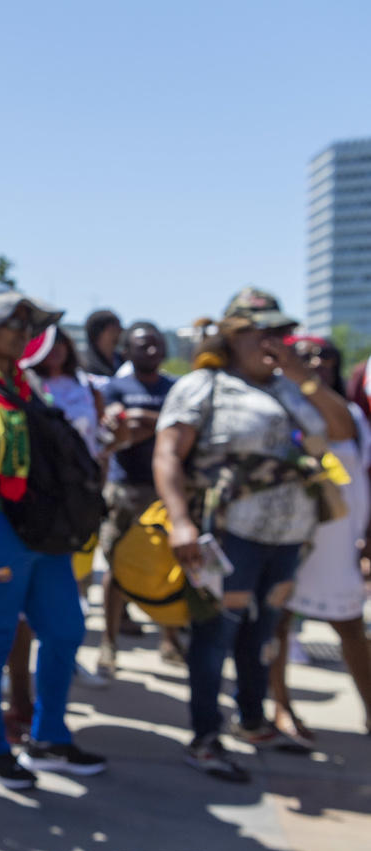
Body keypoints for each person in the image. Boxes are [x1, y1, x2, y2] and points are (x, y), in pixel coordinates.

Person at [154, 288, 353, 783]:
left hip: (287, 538)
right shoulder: (206, 385)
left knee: (263, 633)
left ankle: (253, 720)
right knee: (214, 634)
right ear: (232, 337)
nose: (274, 341)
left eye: (281, 332)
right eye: (262, 332)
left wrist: (304, 376)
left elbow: (343, 429)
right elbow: (168, 455)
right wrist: (180, 520)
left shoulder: (292, 388)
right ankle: (205, 736)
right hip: (228, 535)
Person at [0, 282, 107, 790]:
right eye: (13, 321)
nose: (24, 331)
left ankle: (49, 737)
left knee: (65, 631)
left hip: (43, 536)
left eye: (28, 323)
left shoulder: (27, 388)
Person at [270, 336, 371, 744]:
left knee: (350, 625)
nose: (317, 362)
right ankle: (281, 707)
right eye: (307, 356)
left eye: (326, 356)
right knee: (277, 623)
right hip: (290, 532)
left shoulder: (347, 412)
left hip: (339, 539)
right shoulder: (283, 407)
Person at [96, 322, 182, 675]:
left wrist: (143, 420)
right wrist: (161, 424)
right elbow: (118, 430)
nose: (150, 351)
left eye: (156, 345)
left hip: (166, 492)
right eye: (142, 346)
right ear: (126, 351)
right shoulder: (116, 387)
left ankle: (170, 640)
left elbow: (179, 429)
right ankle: (109, 642)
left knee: (171, 566)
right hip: (126, 489)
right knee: (118, 567)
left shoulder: (176, 388)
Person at [81, 309, 124, 379]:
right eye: (113, 329)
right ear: (98, 333)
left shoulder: (123, 361)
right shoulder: (83, 364)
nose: (120, 331)